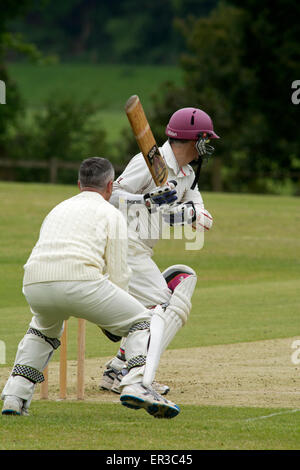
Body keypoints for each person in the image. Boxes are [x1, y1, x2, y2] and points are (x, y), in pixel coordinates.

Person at [1, 157, 180, 419]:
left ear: (79, 184)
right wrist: (114, 320)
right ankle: (135, 384)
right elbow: (119, 274)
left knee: (42, 331)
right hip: (80, 281)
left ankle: (14, 396)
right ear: (110, 186)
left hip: (34, 283)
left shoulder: (58, 208)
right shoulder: (111, 213)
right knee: (142, 320)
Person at [99, 107, 219, 394]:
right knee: (162, 311)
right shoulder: (149, 161)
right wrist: (146, 201)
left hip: (141, 252)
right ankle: (135, 375)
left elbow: (201, 215)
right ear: (195, 140)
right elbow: (111, 195)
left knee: (185, 278)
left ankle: (118, 365)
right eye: (206, 139)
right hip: (121, 245)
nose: (209, 145)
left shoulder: (187, 173)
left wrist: (189, 214)